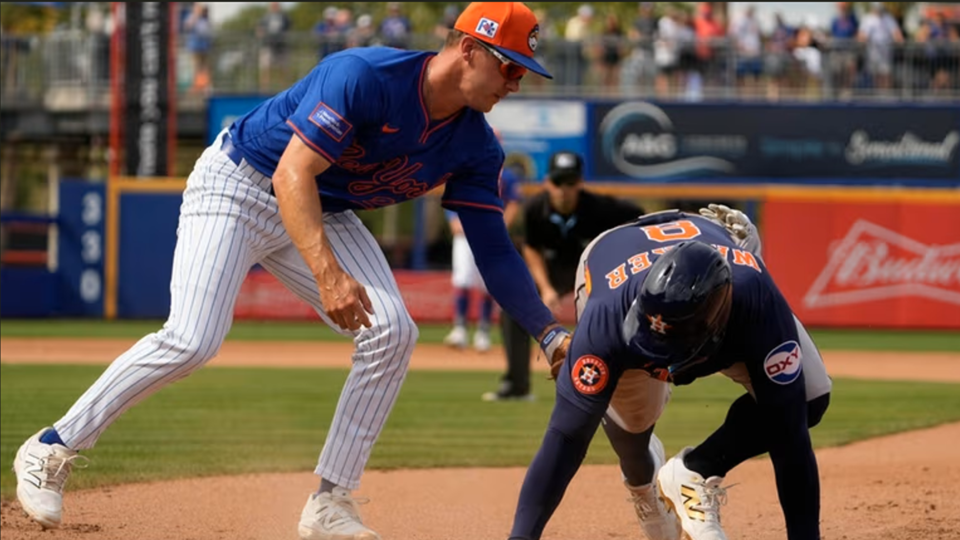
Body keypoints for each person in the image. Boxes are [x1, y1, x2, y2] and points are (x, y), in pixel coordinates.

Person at [13, 4, 573, 540]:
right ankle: (51, 446)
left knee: (393, 332)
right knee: (192, 339)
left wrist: (547, 332)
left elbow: (495, 251)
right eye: (510, 66)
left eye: (523, 72)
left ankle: (330, 500)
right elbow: (292, 173)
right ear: (470, 49)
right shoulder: (365, 75)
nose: (516, 83)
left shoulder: (475, 143)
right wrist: (328, 274)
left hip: (320, 210)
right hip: (241, 185)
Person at [506, 205, 832, 540]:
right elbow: (567, 436)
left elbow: (789, 434)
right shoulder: (606, 319)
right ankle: (643, 489)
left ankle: (695, 470)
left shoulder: (758, 305)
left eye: (669, 346)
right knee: (632, 435)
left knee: (807, 397)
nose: (658, 361)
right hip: (612, 258)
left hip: (719, 267)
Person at [486, 151, 644, 401]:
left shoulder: (600, 208)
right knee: (513, 310)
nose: (564, 189)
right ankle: (517, 385)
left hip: (594, 270)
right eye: (558, 182)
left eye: (570, 182)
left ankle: (619, 382)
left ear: (580, 182)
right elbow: (531, 248)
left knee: (614, 313)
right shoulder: (535, 208)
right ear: (548, 182)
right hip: (553, 269)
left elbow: (639, 217)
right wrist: (546, 289)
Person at [444, 156, 523, 352]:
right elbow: (450, 199)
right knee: (462, 280)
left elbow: (514, 202)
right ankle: (460, 329)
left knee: (486, 284)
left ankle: (483, 332)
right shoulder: (463, 169)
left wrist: (500, 227)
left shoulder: (507, 176)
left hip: (489, 234)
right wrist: (453, 220)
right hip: (465, 232)